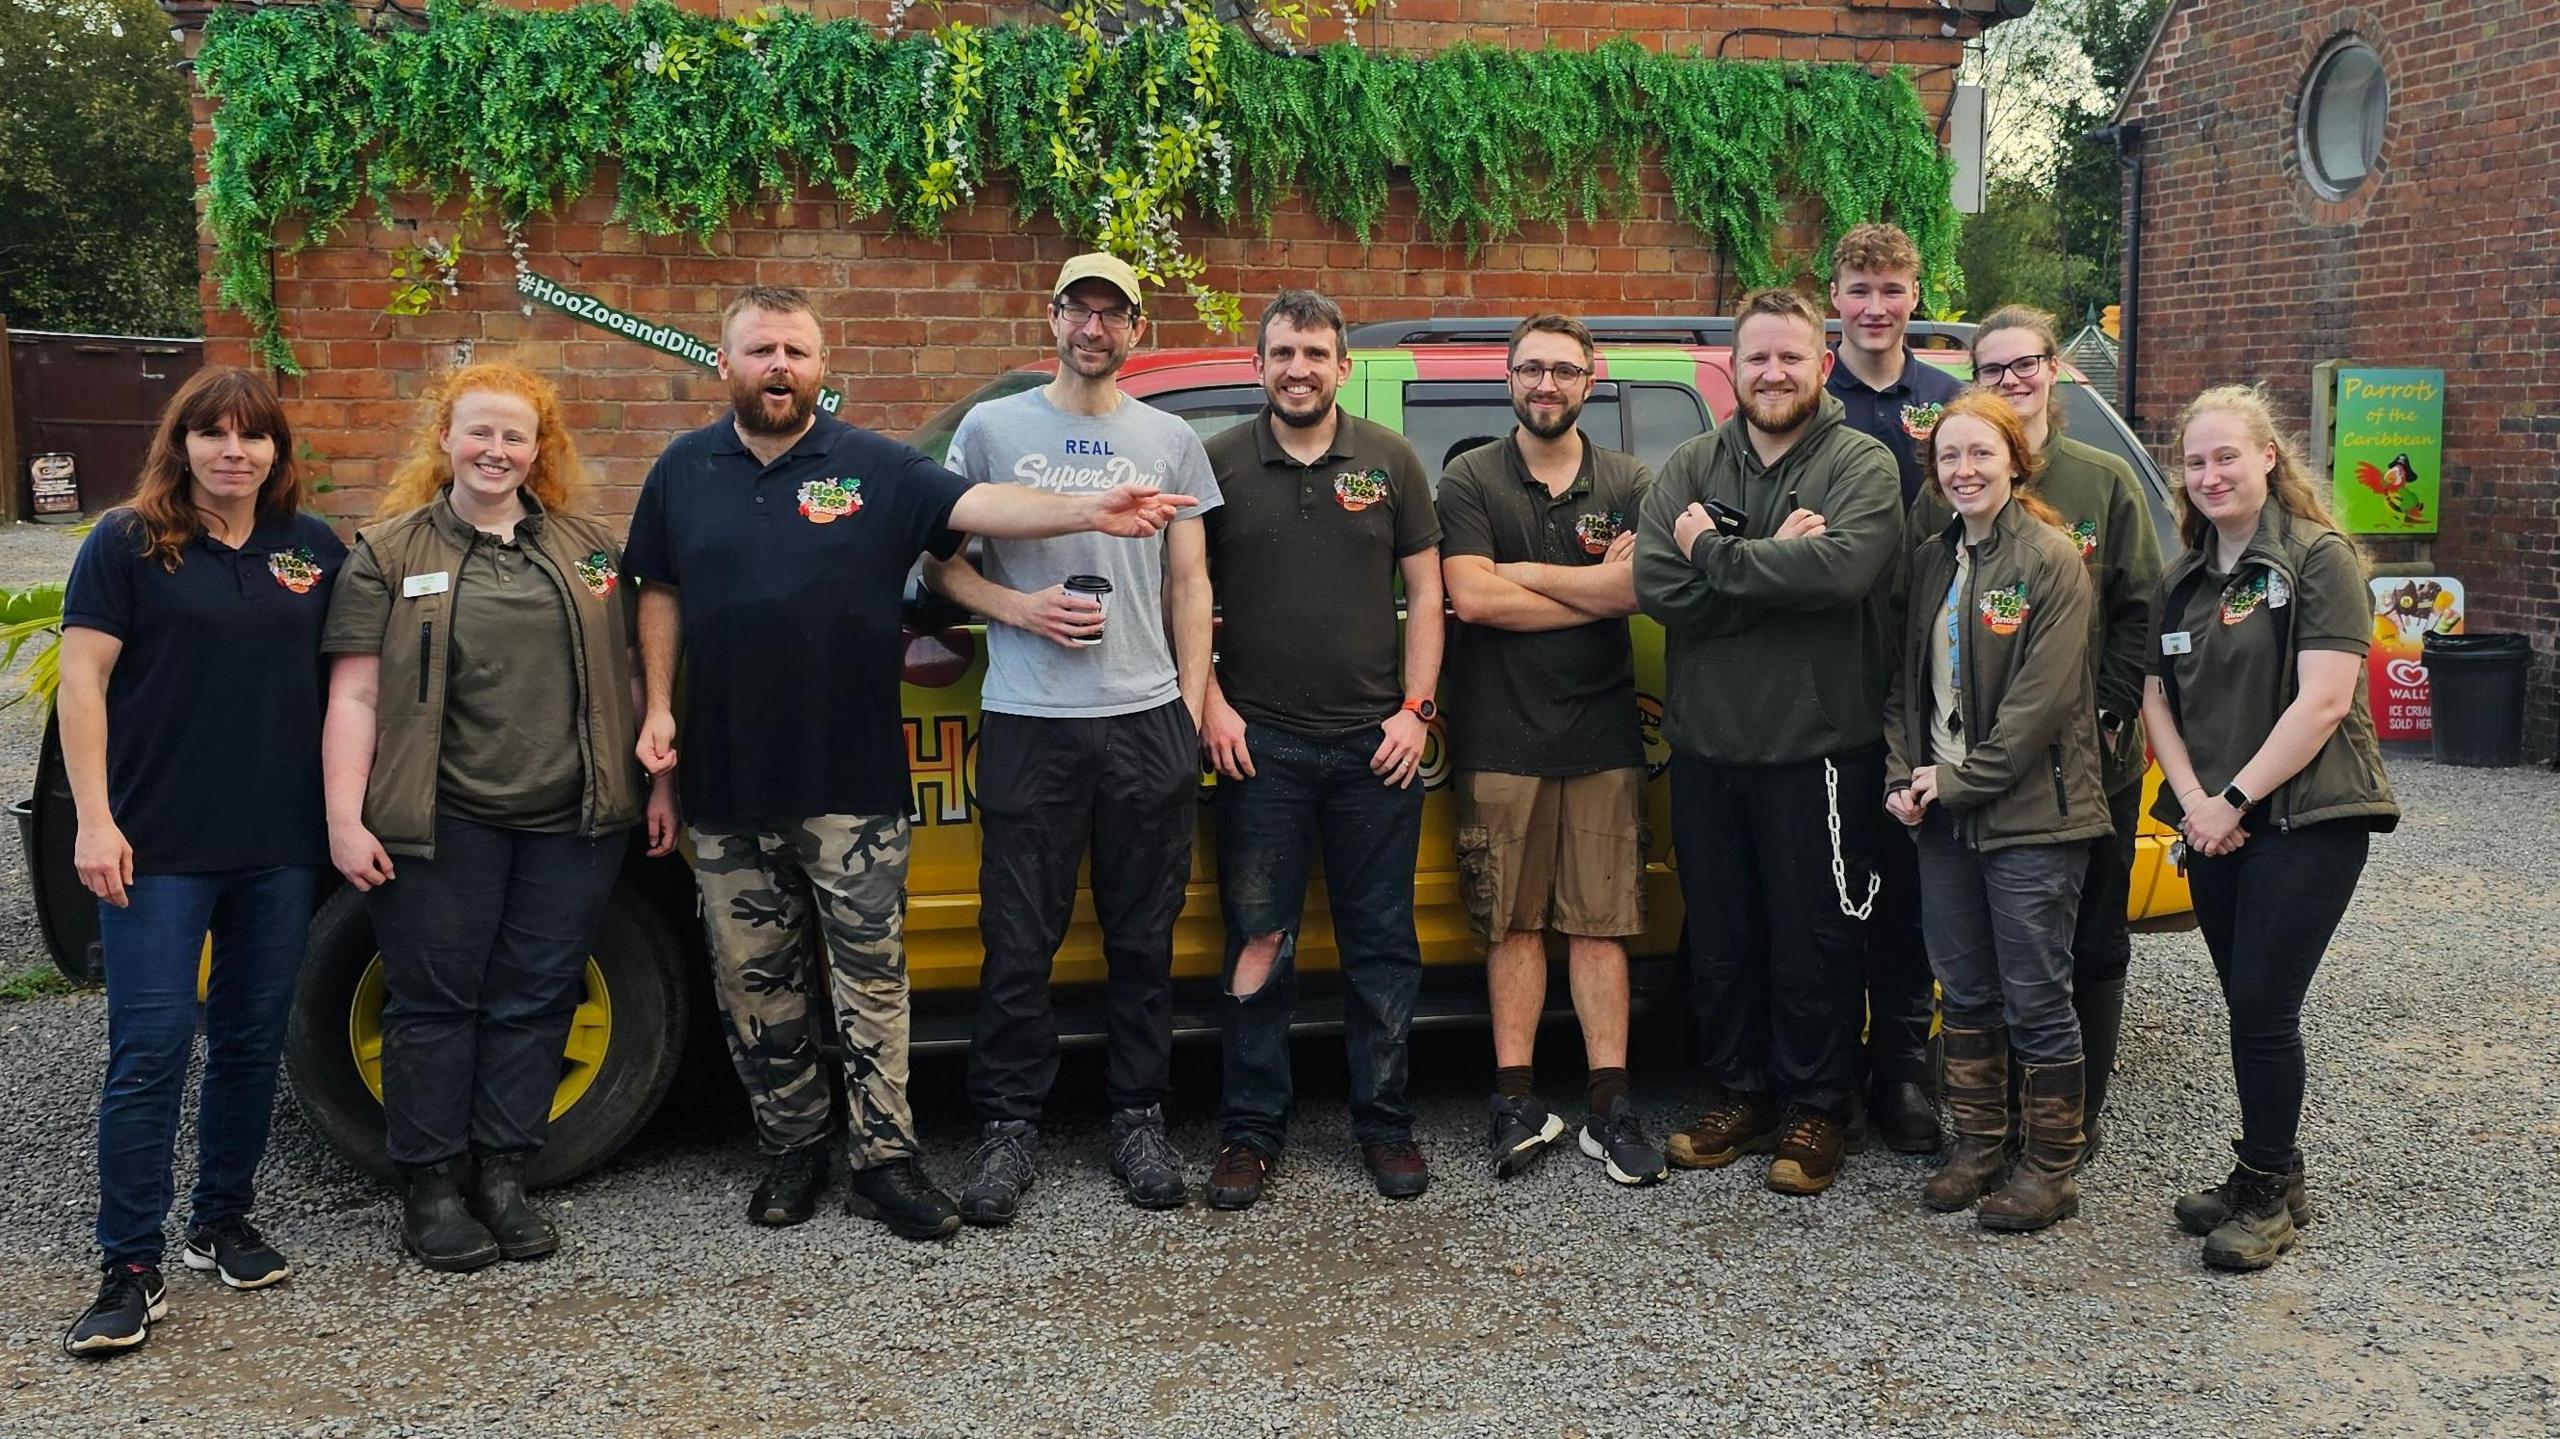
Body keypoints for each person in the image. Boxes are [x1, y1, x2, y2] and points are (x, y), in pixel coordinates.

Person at [623, 286, 1192, 1241]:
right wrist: (659, 709)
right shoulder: (682, 470)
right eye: (760, 349)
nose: (778, 366)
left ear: (822, 366)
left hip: (851, 779)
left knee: (872, 987)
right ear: (724, 363)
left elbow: (978, 507)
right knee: (755, 983)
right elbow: (659, 587)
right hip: (724, 780)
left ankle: (886, 1161)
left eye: (796, 351)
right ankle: (792, 1151)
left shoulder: (873, 465)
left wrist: (1094, 503)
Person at [319, 361, 678, 1272]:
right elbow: (354, 696)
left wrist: (659, 785)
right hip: (440, 820)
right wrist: (343, 819)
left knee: (537, 996)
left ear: (538, 449)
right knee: (436, 1003)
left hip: (575, 819)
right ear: (443, 438)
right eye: (479, 431)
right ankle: (433, 1187)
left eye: (516, 435)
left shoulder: (591, 550)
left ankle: (506, 1179)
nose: (496, 449)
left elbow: (640, 679)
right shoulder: (389, 551)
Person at [923, 255, 1221, 1223]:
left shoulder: (1171, 437)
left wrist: (1186, 704)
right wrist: (1021, 610)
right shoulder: (992, 427)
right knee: (1018, 940)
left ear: (1137, 328)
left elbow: (1190, 584)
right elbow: (936, 566)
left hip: (1144, 720)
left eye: (1113, 313)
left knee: (1143, 937)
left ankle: (1138, 1116)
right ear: (1050, 317)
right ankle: (1010, 1127)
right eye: (1078, 309)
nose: (1094, 327)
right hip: (1030, 717)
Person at [57, 367, 345, 1355]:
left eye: (253, 435)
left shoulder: (313, 550)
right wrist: (94, 820)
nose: (235, 451)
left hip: (278, 846)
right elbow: (83, 685)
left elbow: (351, 689)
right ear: (180, 444)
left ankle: (221, 1217)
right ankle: (128, 1264)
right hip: (156, 847)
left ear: (277, 450)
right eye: (213, 433)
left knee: (251, 1039)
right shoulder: (127, 544)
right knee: (151, 1048)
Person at [1634, 286, 1901, 1197]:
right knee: (1721, 936)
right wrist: (1768, 566)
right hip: (1709, 748)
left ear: (1822, 363)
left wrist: (1715, 553)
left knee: (1815, 938)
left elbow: (1840, 571)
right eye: (1757, 358)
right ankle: (1740, 1095)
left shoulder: (1860, 465)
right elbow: (1656, 586)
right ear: (1734, 370)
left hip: (1819, 750)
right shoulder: (1691, 461)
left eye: (1791, 356)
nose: (1773, 372)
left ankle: (1818, 1106)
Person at [2140, 385, 2396, 1271]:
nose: (2209, 474)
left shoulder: (2316, 559)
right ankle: (2273, 1169)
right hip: (2219, 823)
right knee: (2245, 1003)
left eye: (2226, 457)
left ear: (2268, 458)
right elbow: (2155, 702)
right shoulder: (2183, 575)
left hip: (2307, 816)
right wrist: (2197, 804)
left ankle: (2262, 1197)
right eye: (2195, 461)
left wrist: (2234, 799)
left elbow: (2324, 700)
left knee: (2263, 1005)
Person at [1197, 289, 1444, 1209]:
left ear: (1344, 365)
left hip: (1374, 747)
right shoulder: (1217, 462)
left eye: (1314, 352)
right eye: (1281, 353)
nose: (1297, 368)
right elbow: (1187, 595)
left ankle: (1385, 1125)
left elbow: (1425, 593)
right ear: (1258, 366)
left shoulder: (1390, 460)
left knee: (1382, 944)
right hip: (1257, 747)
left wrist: (1416, 711)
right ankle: (1250, 1132)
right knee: (1260, 939)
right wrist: (1211, 705)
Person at [1437, 313, 1664, 1187]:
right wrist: (1593, 592)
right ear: (1508, 378)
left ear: (1589, 379)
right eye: (1531, 369)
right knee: (1514, 922)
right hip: (1500, 736)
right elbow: (1474, 601)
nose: (1546, 385)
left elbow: (1641, 589)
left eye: (1563, 371)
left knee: (1601, 924)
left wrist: (1520, 573)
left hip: (1604, 734)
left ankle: (1611, 1104)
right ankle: (1516, 1099)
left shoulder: (1630, 479)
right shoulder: (1469, 478)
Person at [1938, 305, 2164, 1153]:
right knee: (1996, 949)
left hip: (2089, 763)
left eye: (2026, 362)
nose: (2012, 379)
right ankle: (1993, 1123)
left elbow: (2140, 609)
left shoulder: (2104, 480)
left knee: (2092, 941)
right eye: (1993, 369)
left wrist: (2109, 714)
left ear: (2053, 368)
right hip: (1987, 763)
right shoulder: (1964, 477)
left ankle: (2078, 1117)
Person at [1884, 389, 2110, 1231]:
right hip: (1941, 811)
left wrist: (1960, 779)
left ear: (2017, 461)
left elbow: (2041, 705)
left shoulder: (2049, 557)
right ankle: (1978, 1146)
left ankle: (2051, 1166)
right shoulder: (1932, 559)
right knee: (1965, 989)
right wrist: (1901, 777)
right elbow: (1905, 685)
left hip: (2033, 816)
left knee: (2037, 994)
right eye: (1949, 456)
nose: (1964, 470)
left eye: (1982, 454)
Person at [1825, 221, 1966, 1153]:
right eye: (1860, 290)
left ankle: (1907, 1075)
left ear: (1916, 295)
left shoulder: (1952, 402)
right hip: (1830, 685)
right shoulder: (1805, 394)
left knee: (1915, 889)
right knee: (1838, 885)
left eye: (1893, 290)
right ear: (1833, 295)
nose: (1876, 308)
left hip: (1927, 690)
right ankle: (1831, 1071)